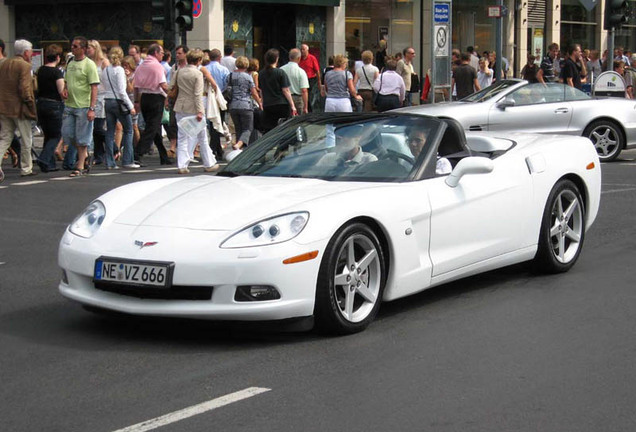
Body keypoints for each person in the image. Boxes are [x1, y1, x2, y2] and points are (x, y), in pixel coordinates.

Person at [172, 48, 218, 174]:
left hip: (180, 106)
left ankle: (182, 165)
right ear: (198, 60)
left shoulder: (179, 71)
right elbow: (197, 94)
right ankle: (209, 163)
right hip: (193, 107)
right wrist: (200, 111)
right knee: (202, 136)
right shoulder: (197, 74)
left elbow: (171, 87)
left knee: (182, 137)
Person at [62, 36, 100, 177]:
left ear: (83, 49)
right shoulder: (70, 62)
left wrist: (92, 108)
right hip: (70, 104)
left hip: (83, 105)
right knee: (68, 135)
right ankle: (85, 156)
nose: (72, 48)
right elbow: (67, 79)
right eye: (72, 46)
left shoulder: (89, 65)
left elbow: (94, 87)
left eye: (75, 46)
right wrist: (65, 88)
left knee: (82, 137)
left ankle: (80, 164)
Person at [0, 39, 37, 182]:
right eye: (31, 52)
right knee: (26, 138)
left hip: (4, 106)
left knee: (5, 137)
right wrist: (30, 103)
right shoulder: (24, 66)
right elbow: (25, 88)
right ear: (26, 52)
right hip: (20, 108)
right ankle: (26, 168)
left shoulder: (4, 64)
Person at [133, 43, 172, 166]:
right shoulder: (157, 66)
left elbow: (136, 87)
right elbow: (163, 84)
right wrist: (171, 94)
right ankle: (137, 153)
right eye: (161, 53)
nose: (162, 56)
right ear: (156, 53)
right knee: (152, 128)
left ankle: (163, 156)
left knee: (154, 128)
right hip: (156, 97)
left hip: (144, 98)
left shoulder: (140, 66)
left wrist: (136, 102)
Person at [103, 46, 138, 169]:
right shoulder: (119, 70)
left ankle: (109, 161)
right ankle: (128, 160)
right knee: (128, 130)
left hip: (107, 101)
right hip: (118, 102)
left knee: (110, 131)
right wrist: (131, 106)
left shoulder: (105, 70)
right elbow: (122, 91)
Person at [35, 44, 65, 172]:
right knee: (56, 135)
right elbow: (61, 91)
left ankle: (49, 164)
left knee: (47, 134)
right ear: (58, 57)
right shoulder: (56, 72)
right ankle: (44, 158)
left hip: (41, 103)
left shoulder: (40, 70)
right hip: (54, 104)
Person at [227, 56, 262, 150]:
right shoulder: (248, 77)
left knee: (238, 128)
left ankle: (239, 150)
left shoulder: (230, 76)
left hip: (233, 105)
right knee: (247, 128)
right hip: (245, 105)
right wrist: (260, 103)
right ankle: (239, 145)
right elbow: (254, 92)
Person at [259, 48, 297, 132]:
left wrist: (262, 102)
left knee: (269, 129)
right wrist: (292, 105)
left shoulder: (261, 74)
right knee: (283, 129)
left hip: (268, 104)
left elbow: (261, 90)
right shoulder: (280, 72)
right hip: (281, 104)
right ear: (276, 59)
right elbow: (286, 90)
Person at [87, 40, 110, 166]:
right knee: (94, 128)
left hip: (102, 95)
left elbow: (108, 79)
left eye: (90, 48)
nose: (87, 50)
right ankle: (98, 155)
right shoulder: (88, 62)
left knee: (98, 127)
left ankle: (113, 147)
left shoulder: (104, 62)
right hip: (92, 96)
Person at [206, 48, 230, 159]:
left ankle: (216, 148)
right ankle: (214, 148)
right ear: (219, 58)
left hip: (207, 98)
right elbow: (226, 84)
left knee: (211, 122)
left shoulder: (205, 69)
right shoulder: (224, 69)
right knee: (219, 121)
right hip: (220, 97)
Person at [280, 48, 310, 114]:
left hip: (283, 98)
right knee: (298, 121)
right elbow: (304, 90)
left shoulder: (281, 70)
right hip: (298, 99)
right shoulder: (301, 72)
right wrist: (305, 107)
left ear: (289, 57)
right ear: (299, 58)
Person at [299, 44, 321, 112]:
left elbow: (317, 70)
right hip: (301, 79)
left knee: (308, 94)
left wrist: (319, 81)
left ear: (307, 50)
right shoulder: (299, 59)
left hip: (310, 79)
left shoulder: (312, 58)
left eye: (303, 49)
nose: (302, 51)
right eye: (301, 49)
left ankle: (309, 109)